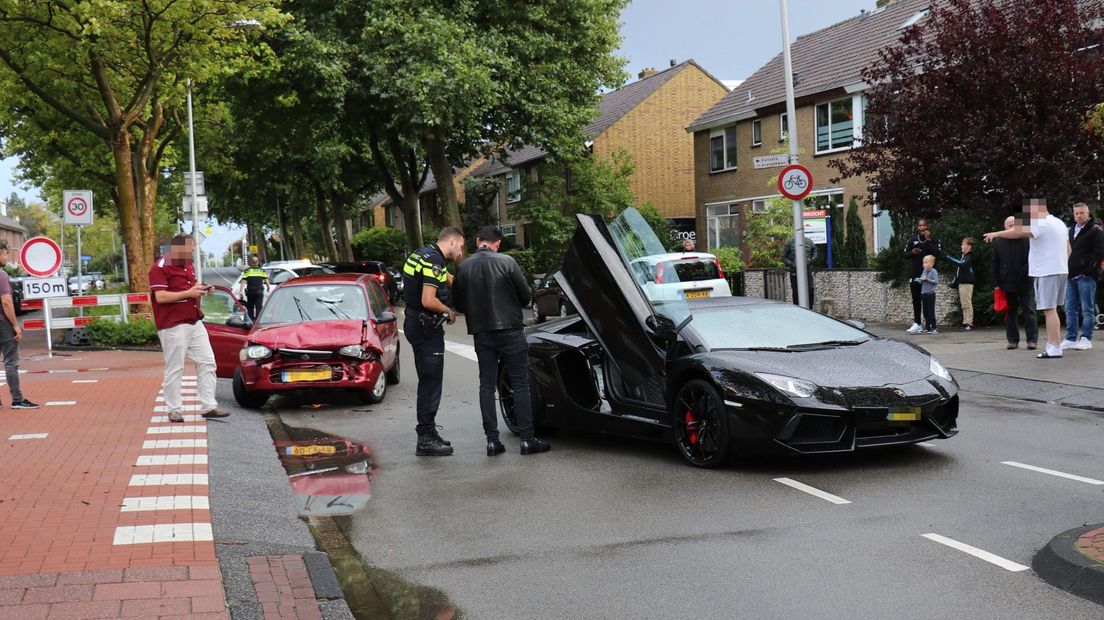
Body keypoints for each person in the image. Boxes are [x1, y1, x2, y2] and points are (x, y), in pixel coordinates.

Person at [453, 226, 551, 456]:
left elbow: (457, 305)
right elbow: (526, 296)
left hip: (482, 332)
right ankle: (527, 440)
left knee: (486, 385)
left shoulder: (463, 267)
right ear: (497, 244)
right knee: (519, 383)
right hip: (510, 330)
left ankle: (492, 442)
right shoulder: (507, 262)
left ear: (478, 241)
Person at [149, 234, 229, 423]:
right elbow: (160, 297)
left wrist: (202, 288)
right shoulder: (160, 268)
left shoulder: (188, 264)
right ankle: (174, 409)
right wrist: (188, 293)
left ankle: (208, 405)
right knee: (175, 367)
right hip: (173, 324)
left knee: (208, 361)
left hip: (193, 320)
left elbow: (190, 287)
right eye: (190, 247)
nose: (193, 250)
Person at [402, 227, 465, 456]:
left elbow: (445, 279)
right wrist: (448, 311)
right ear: (451, 241)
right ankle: (426, 439)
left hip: (414, 323)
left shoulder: (422, 254)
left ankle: (428, 432)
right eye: (460, 246)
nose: (461, 251)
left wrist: (461, 282)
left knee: (427, 381)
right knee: (431, 383)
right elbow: (428, 300)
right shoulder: (435, 261)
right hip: (425, 328)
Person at [984, 198, 1071, 359]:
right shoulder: (1059, 223)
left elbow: (1018, 232)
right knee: (1053, 310)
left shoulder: (1042, 223)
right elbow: (1068, 250)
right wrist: (1060, 264)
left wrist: (995, 233)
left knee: (1049, 309)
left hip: (1047, 271)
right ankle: (1054, 344)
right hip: (1060, 270)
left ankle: (1054, 347)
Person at [1061, 202, 1103, 351]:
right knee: (1070, 309)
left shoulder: (1095, 230)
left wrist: (1088, 270)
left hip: (1086, 276)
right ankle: (1071, 338)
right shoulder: (1071, 230)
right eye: (1076, 213)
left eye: (1081, 213)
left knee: (1087, 308)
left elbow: (1099, 253)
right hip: (1071, 275)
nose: (1078, 215)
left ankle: (1086, 338)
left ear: (1088, 213)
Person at [991, 215, 1038, 349]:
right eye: (1009, 225)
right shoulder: (999, 242)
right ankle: (1012, 340)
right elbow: (994, 263)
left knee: (1029, 311)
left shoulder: (1027, 240)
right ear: (1004, 227)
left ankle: (1032, 340)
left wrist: (1028, 272)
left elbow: (1034, 258)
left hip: (1025, 281)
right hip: (1006, 282)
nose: (1012, 227)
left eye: (1014, 225)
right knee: (1010, 313)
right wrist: (995, 284)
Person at [0, 242, 37, 409]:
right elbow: (7, 302)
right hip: (2, 323)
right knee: (11, 361)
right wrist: (15, 325)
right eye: (5, 254)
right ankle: (17, 399)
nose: (6, 257)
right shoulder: (1, 275)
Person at [903, 219, 941, 333]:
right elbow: (904, 254)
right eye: (920, 226)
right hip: (915, 274)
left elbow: (937, 253)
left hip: (928, 276)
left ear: (927, 227)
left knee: (927, 301)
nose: (922, 228)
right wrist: (912, 253)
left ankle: (930, 325)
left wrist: (928, 240)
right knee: (916, 300)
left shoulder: (934, 239)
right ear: (917, 227)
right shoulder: (912, 240)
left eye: (924, 225)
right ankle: (917, 323)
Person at [942, 237, 977, 330]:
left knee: (967, 304)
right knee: (963, 304)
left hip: (967, 283)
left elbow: (961, 264)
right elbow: (958, 271)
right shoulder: (964, 256)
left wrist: (947, 256)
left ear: (969, 246)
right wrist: (954, 282)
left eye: (963, 244)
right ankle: (965, 322)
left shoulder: (969, 257)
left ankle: (969, 323)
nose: (961, 246)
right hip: (962, 283)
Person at [782, 234, 817, 307]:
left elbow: (815, 254)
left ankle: (810, 308)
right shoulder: (790, 242)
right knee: (796, 291)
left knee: (810, 289)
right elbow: (783, 256)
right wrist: (792, 264)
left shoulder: (809, 241)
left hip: (807, 271)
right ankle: (797, 308)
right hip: (795, 272)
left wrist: (810, 260)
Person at [236, 256, 270, 322]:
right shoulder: (262, 271)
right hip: (259, 292)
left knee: (250, 308)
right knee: (259, 308)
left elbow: (243, 281)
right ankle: (257, 322)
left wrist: (241, 291)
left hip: (250, 292)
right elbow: (266, 280)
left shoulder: (247, 271)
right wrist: (268, 287)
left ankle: (250, 322)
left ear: (251, 263)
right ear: (258, 262)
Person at [914, 254, 939, 334]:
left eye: (926, 262)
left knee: (931, 311)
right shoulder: (924, 271)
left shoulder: (933, 271)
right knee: (925, 312)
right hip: (923, 293)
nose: (924, 264)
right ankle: (927, 327)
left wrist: (927, 279)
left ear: (931, 263)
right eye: (923, 263)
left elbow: (936, 282)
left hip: (930, 294)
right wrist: (919, 280)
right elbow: (922, 279)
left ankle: (934, 328)